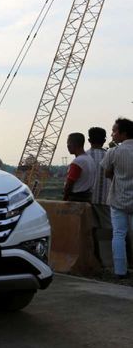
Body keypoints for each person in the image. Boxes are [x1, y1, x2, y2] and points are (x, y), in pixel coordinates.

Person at [101, 117, 133, 279]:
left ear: (123, 133)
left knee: (119, 234)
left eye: (114, 131)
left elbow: (107, 173)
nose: (112, 134)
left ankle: (120, 270)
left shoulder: (114, 152)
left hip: (118, 199)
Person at [87, 126, 112, 265]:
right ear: (104, 140)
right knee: (110, 230)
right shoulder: (110, 155)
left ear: (89, 140)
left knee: (92, 229)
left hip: (89, 200)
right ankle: (109, 260)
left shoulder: (84, 156)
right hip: (106, 200)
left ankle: (97, 258)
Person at [63, 132, 97, 203]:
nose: (67, 146)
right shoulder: (89, 159)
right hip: (87, 197)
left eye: (68, 143)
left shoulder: (78, 162)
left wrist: (64, 199)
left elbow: (69, 185)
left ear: (74, 144)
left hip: (76, 198)